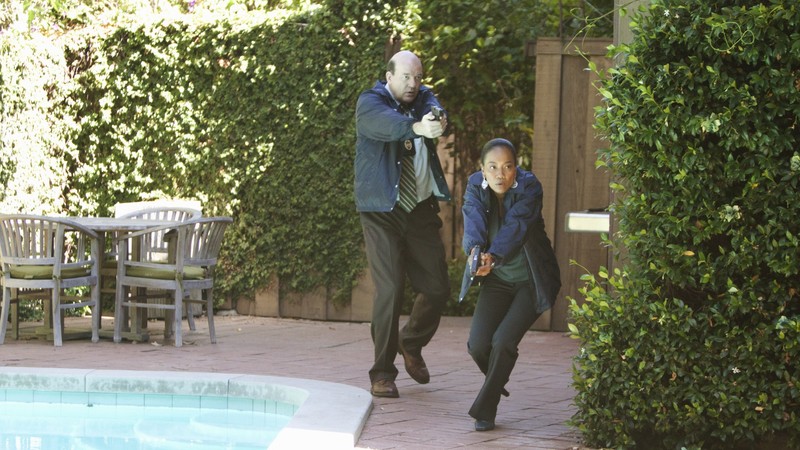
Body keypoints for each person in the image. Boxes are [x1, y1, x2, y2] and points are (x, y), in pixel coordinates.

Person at [354, 50, 452, 398]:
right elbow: (384, 125)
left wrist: (437, 119)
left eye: (418, 77)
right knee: (391, 289)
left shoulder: (423, 97)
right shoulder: (370, 103)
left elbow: (436, 109)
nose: (413, 83)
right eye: (406, 77)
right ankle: (382, 372)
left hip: (420, 208)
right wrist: (416, 127)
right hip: (382, 210)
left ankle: (409, 341)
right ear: (389, 77)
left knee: (438, 287)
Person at [458, 138, 561, 431]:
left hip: (531, 280)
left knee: (503, 342)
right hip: (498, 280)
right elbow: (473, 221)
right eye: (492, 167)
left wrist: (493, 256)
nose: (500, 174)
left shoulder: (530, 187)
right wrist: (476, 253)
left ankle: (486, 409)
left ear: (517, 168)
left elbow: (517, 226)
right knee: (478, 346)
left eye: (507, 167)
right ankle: (497, 377)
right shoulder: (475, 186)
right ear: (482, 169)